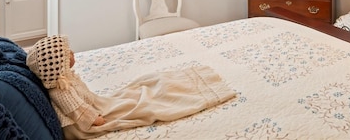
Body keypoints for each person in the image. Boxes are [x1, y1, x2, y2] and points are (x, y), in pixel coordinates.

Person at [26, 35, 235, 139]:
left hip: (92, 105)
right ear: (56, 64)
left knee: (144, 87)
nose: (73, 55)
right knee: (142, 101)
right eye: (67, 55)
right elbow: (77, 111)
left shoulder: (66, 79)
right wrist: (94, 119)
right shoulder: (62, 90)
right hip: (81, 123)